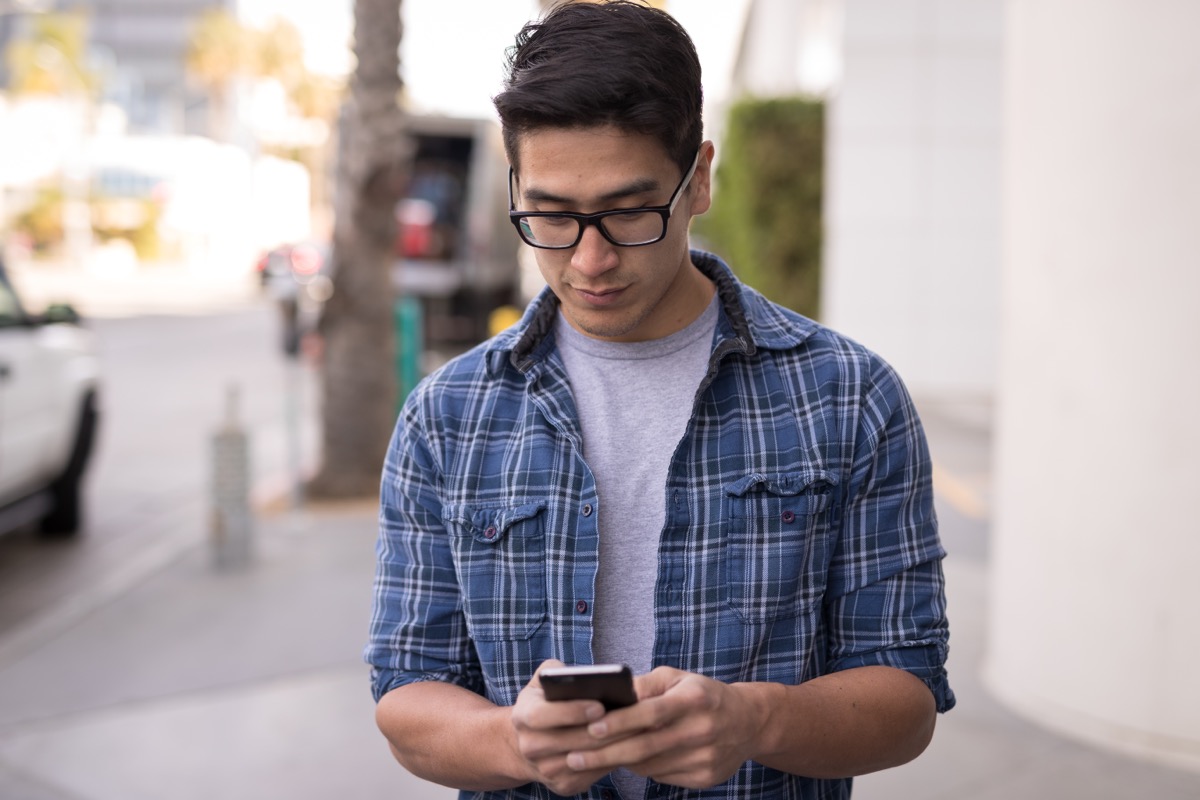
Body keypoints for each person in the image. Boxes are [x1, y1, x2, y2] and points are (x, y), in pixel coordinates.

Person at [365, 2, 955, 798]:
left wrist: (758, 722)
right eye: (550, 215)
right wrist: (512, 739)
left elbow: (906, 696)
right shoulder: (447, 416)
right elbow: (407, 693)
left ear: (699, 179)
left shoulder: (849, 397)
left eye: (629, 212)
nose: (591, 258)